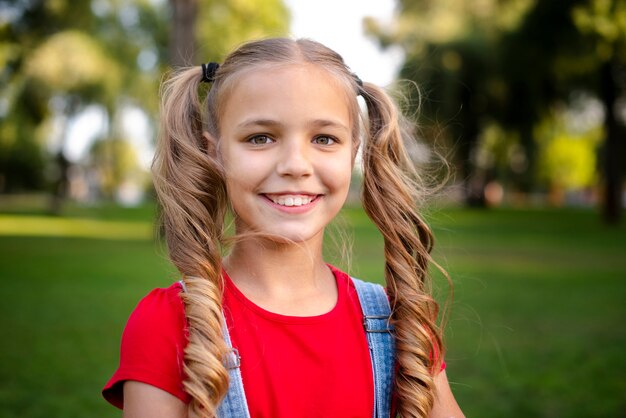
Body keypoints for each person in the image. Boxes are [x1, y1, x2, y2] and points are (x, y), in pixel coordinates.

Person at [103, 38, 464, 418]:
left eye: (324, 139)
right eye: (260, 138)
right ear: (215, 152)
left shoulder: (399, 325)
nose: (296, 164)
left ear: (353, 151)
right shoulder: (168, 324)